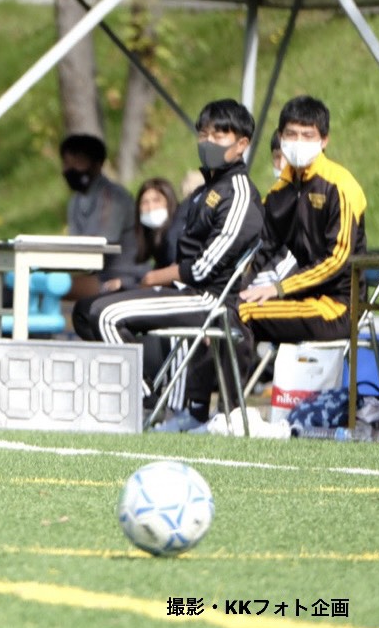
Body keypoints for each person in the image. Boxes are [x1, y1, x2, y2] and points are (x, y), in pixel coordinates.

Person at [71, 100, 264, 433]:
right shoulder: (205, 192)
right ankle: (142, 395)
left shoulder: (239, 192)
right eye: (204, 134)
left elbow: (204, 269)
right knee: (84, 311)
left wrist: (158, 277)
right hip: (184, 291)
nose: (208, 142)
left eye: (220, 135)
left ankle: (148, 400)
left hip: (209, 299)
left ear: (241, 144)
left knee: (107, 316)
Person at [237, 96, 368, 356]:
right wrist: (235, 287)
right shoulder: (280, 191)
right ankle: (216, 395)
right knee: (226, 306)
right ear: (280, 136)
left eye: (307, 135)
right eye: (291, 134)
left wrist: (279, 288)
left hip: (337, 306)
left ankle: (224, 397)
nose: (298, 142)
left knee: (241, 312)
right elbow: (260, 248)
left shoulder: (340, 186)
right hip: (298, 299)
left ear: (324, 140)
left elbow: (337, 260)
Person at [59, 134, 138, 299]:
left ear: (97, 164)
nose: (70, 169)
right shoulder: (75, 200)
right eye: (67, 163)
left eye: (78, 162)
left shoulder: (114, 198)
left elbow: (102, 246)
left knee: (55, 287)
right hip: (91, 274)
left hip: (121, 275)